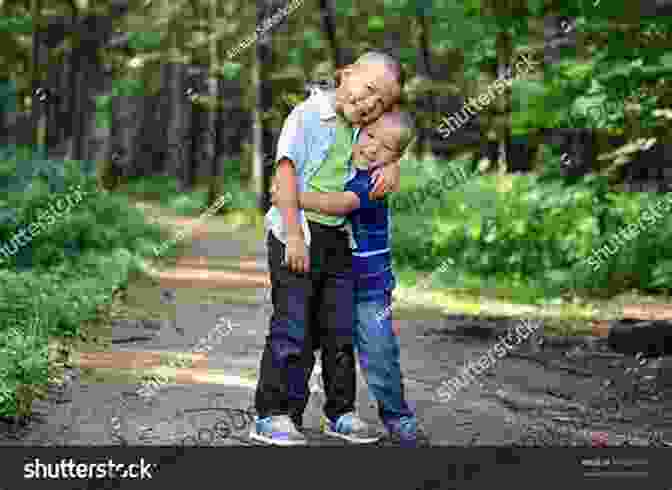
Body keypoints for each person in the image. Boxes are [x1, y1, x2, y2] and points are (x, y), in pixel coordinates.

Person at [250, 51, 404, 446]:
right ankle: (274, 412)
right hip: (296, 232)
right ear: (345, 74)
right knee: (294, 324)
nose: (370, 104)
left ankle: (340, 411)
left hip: (339, 239)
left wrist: (392, 164)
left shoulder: (363, 126)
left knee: (339, 331)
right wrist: (295, 237)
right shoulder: (305, 116)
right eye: (368, 90)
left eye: (380, 102)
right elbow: (284, 173)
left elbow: (393, 135)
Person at [273, 110, 429, 446]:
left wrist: (293, 198)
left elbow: (342, 204)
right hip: (334, 277)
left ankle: (397, 414)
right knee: (322, 342)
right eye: (370, 137)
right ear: (358, 131)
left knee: (378, 351)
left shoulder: (373, 181)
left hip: (370, 285)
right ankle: (301, 411)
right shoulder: (341, 159)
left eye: (386, 148)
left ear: (397, 157)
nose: (373, 148)